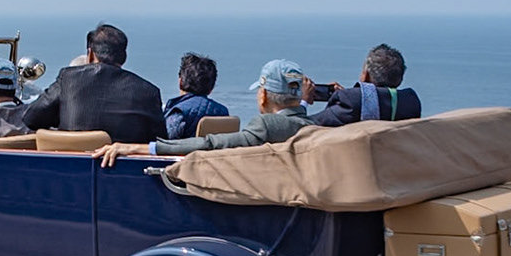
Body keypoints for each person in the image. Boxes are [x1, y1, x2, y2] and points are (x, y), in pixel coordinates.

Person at [99, 60, 317, 164]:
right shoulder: (312, 127)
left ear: (264, 96)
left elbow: (211, 144)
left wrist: (143, 148)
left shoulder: (266, 126)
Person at [20, 22, 163, 144]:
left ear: (90, 54)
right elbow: (159, 141)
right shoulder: (148, 91)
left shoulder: (68, 78)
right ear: (124, 57)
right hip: (122, 173)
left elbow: (31, 118)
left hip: (69, 168)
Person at [312, 43, 422, 127]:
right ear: (401, 78)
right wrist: (352, 97)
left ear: (366, 75)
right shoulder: (411, 104)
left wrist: (302, 102)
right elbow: (382, 104)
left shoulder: (350, 103)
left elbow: (304, 127)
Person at [162, 52, 230, 141]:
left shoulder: (179, 112)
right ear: (211, 88)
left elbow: (164, 143)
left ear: (180, 81)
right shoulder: (223, 112)